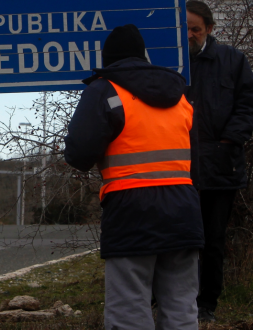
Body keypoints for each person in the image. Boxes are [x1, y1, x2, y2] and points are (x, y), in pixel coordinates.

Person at [64, 24, 204, 330]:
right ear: (143, 56)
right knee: (182, 304)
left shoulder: (104, 90)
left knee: (129, 308)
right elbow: (194, 158)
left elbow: (78, 153)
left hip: (131, 209)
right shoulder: (180, 95)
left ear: (109, 58)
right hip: (184, 208)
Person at [185, 0, 253, 322]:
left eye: (195, 29)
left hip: (221, 165)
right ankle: (170, 299)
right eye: (184, 28)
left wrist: (228, 140)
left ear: (210, 29)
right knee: (177, 238)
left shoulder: (232, 61)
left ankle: (207, 305)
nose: (189, 35)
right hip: (177, 166)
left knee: (213, 239)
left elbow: (249, 106)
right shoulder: (167, 63)